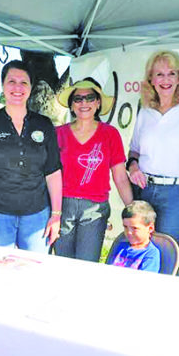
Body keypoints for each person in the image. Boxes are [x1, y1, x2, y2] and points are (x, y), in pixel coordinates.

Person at [0, 60, 62, 252]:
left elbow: (53, 172)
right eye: (11, 81)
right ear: (2, 85)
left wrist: (56, 215)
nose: (17, 87)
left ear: (30, 87)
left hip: (37, 216)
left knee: (34, 271)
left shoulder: (43, 124)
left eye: (24, 82)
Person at [127, 50, 179, 248]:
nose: (166, 79)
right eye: (159, 74)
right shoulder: (145, 111)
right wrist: (133, 167)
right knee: (143, 251)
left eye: (172, 73)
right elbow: (134, 151)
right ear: (151, 79)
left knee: (166, 252)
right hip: (145, 191)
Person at [53, 77, 133, 262]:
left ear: (98, 103)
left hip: (95, 210)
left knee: (87, 265)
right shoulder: (58, 134)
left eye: (90, 98)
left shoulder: (110, 134)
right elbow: (49, 176)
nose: (84, 103)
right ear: (71, 105)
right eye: (78, 99)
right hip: (62, 207)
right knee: (62, 263)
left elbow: (120, 177)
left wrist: (132, 210)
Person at [108, 200, 160, 272]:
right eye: (125, 227)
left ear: (150, 228)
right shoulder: (120, 246)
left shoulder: (150, 254)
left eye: (135, 228)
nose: (129, 232)